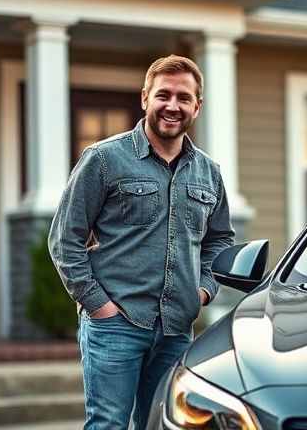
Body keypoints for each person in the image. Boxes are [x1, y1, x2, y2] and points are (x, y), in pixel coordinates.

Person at [48, 54, 235, 430]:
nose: (172, 105)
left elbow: (220, 240)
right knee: (109, 425)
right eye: (163, 95)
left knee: (162, 424)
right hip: (116, 324)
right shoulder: (103, 160)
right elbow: (64, 240)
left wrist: (202, 292)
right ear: (145, 98)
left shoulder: (209, 173)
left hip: (176, 329)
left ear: (197, 106)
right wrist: (98, 305)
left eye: (184, 98)